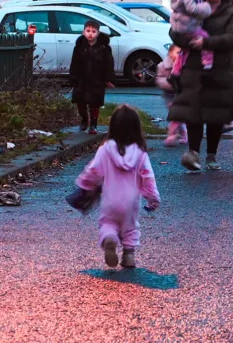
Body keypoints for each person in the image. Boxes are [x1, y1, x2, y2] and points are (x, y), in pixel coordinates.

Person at [168, 0, 233, 171]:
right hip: (193, 72)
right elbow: (175, 30)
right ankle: (193, 153)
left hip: (220, 72)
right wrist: (184, 39)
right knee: (192, 113)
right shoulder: (193, 8)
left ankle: (211, 155)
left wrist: (208, 43)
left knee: (215, 115)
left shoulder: (232, 13)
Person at [74, 105, 161, 269]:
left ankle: (109, 238)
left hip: (110, 200)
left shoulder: (105, 149)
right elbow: (148, 177)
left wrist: (84, 184)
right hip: (131, 201)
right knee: (130, 227)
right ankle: (128, 255)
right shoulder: (140, 153)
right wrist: (153, 199)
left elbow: (94, 170)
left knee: (108, 223)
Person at [69, 18, 114, 134]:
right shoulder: (79, 47)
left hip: (97, 80)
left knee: (95, 103)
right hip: (81, 80)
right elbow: (74, 63)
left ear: (98, 33)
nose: (90, 33)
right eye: (88, 31)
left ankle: (93, 124)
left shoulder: (104, 48)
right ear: (83, 32)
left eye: (93, 31)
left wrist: (108, 78)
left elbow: (109, 64)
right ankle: (84, 119)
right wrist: (73, 77)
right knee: (80, 102)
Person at [169, 0, 214, 75]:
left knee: (184, 51)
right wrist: (205, 8)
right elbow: (191, 8)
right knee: (205, 38)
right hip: (188, 26)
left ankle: (176, 68)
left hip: (182, 26)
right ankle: (207, 61)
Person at [156, 45, 187, 146]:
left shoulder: (185, 64)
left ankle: (172, 134)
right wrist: (170, 83)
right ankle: (183, 133)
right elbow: (159, 79)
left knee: (177, 115)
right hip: (169, 93)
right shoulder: (163, 66)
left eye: (181, 53)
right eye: (177, 52)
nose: (179, 55)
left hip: (182, 93)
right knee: (177, 116)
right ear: (170, 53)